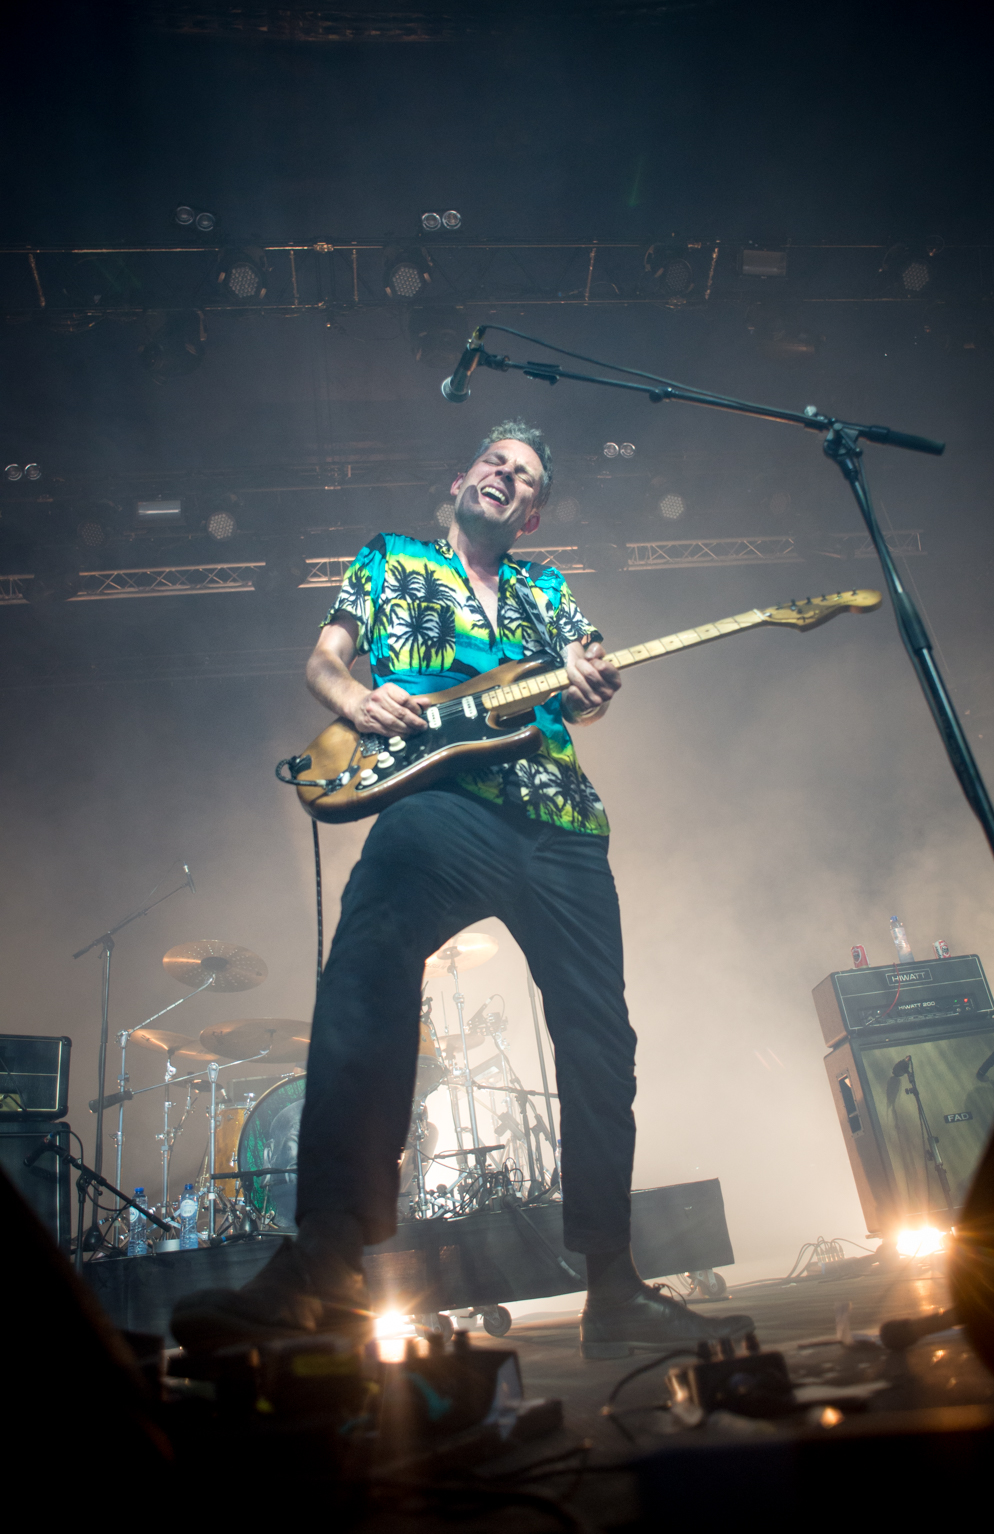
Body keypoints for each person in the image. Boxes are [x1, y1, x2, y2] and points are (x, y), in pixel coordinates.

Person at [173, 421, 753, 1358]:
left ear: (534, 514)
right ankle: (325, 1264)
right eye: (495, 463)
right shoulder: (391, 560)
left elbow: (585, 691)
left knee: (600, 1038)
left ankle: (613, 1285)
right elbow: (324, 659)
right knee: (366, 966)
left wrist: (592, 689)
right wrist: (355, 699)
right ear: (462, 479)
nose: (506, 477)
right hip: (441, 801)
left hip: (558, 815)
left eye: (525, 477)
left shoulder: (547, 591)